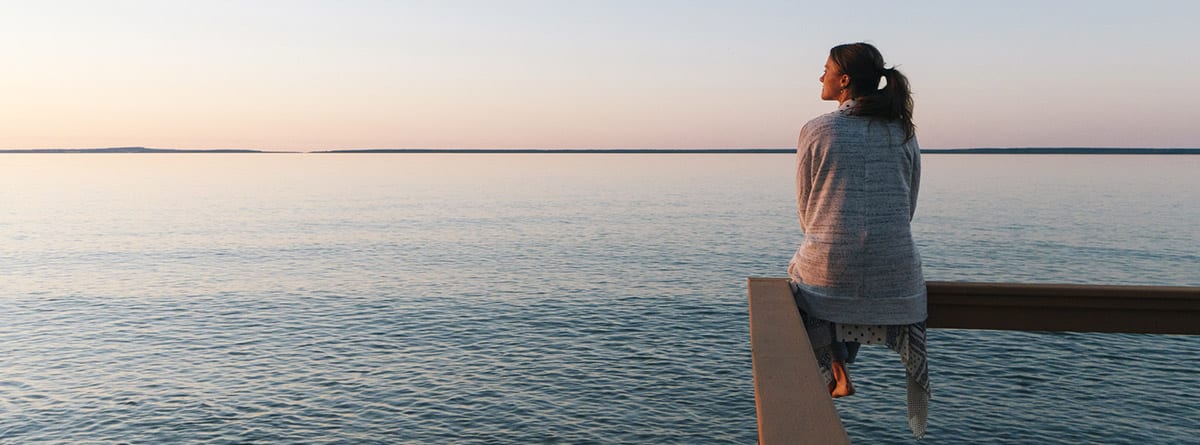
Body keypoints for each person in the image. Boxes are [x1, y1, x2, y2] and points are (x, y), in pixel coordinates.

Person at [788, 42, 929, 438]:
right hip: (898, 273)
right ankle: (841, 363)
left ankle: (836, 366)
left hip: (831, 269)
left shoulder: (817, 129)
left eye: (826, 69)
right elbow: (909, 203)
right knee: (850, 278)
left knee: (806, 278)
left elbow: (806, 208)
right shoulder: (903, 131)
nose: (821, 76)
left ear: (844, 81)